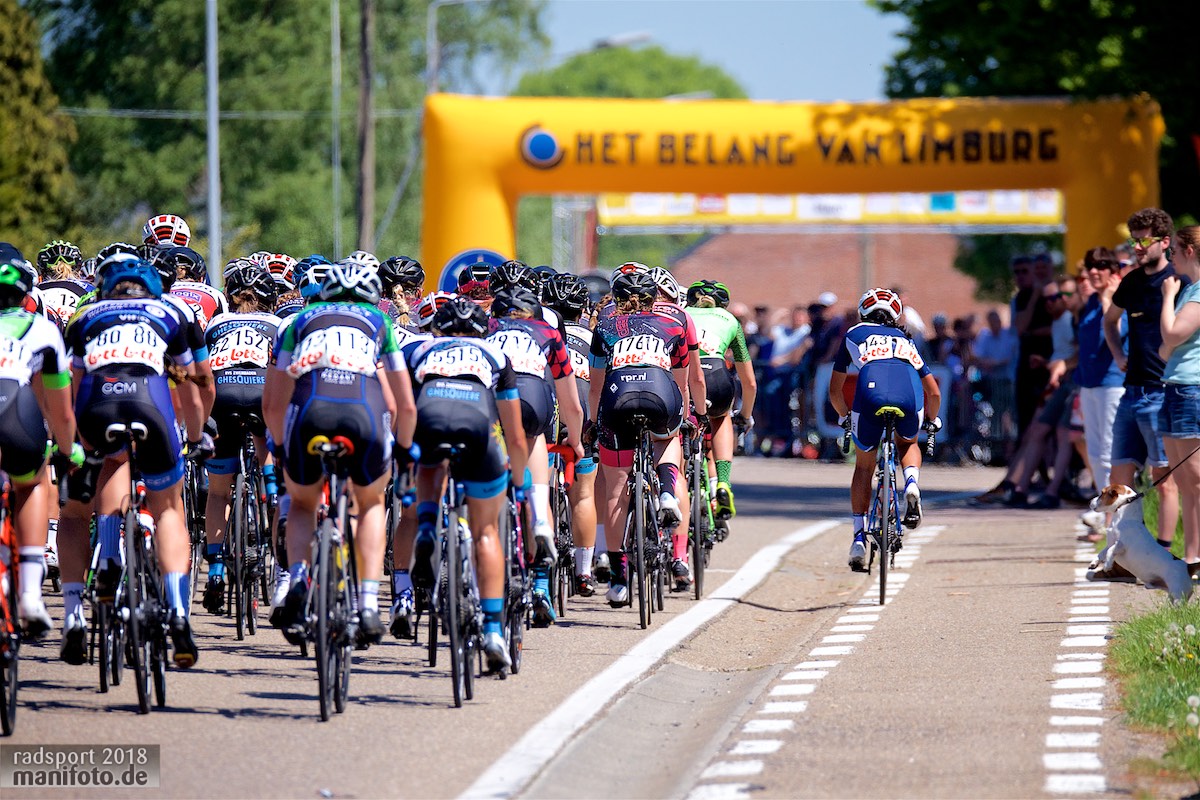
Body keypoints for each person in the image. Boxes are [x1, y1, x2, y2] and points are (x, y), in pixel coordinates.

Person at [63, 254, 209, 667]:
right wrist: (195, 435)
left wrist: (76, 443)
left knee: (110, 463)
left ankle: (109, 559)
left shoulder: (84, 317)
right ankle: (178, 611)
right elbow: (191, 384)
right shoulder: (169, 314)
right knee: (169, 510)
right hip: (151, 404)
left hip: (98, 405)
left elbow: (73, 385)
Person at [264, 259, 418, 646]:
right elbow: (402, 405)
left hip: (310, 410)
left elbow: (273, 404)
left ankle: (298, 579)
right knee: (370, 503)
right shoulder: (380, 322)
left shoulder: (298, 321)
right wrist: (401, 451)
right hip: (363, 412)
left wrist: (280, 446)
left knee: (302, 503)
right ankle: (367, 604)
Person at [402, 297, 529, 670]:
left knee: (429, 462)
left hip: (430, 419)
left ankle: (428, 526)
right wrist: (519, 481)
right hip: (478, 427)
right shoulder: (495, 355)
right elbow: (515, 434)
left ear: (436, 329)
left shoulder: (418, 349)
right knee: (486, 532)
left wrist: (404, 459)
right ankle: (492, 630)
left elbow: (402, 411)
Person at [589, 271, 691, 606]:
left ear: (615, 299)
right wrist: (683, 419)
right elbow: (681, 383)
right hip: (661, 394)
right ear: (654, 299)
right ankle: (667, 493)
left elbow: (595, 387)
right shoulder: (673, 325)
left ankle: (619, 580)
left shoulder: (605, 326)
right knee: (668, 439)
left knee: (616, 489)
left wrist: (592, 422)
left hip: (617, 397)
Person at [486, 285, 584, 625]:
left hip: (493, 402)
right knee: (535, 439)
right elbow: (571, 402)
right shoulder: (548, 332)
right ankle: (541, 567)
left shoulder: (486, 327)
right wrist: (576, 441)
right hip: (534, 399)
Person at [827, 288, 941, 571]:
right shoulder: (906, 339)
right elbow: (934, 392)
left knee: (864, 466)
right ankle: (911, 483)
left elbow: (835, 390)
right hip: (908, 395)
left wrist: (844, 416)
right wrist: (932, 420)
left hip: (870, 395)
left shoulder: (854, 334)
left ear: (863, 312)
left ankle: (858, 538)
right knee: (908, 443)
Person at [0, 246, 82, 637]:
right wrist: (68, 450)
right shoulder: (43, 328)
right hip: (17, 413)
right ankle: (31, 593)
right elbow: (61, 411)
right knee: (32, 483)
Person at [199, 264, 282, 614]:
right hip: (261, 390)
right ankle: (272, 492)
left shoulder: (216, 323)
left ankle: (216, 572)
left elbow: (200, 369)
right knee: (267, 439)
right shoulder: (278, 323)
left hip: (223, 394)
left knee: (219, 492)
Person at [1103, 207, 1186, 553]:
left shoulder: (1179, 281)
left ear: (1165, 242)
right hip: (1131, 392)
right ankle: (1118, 553)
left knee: (1164, 481)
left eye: (1144, 240)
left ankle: (1164, 555)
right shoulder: (1132, 281)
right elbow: (1110, 320)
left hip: (1162, 392)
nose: (1137, 247)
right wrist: (1117, 354)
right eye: (1133, 241)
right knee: (1117, 480)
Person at [684, 279, 758, 518]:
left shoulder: (680, 314)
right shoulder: (730, 320)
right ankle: (723, 483)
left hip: (686, 377)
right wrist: (745, 415)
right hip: (717, 376)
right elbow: (749, 382)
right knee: (721, 417)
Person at [1158, 225, 1200, 570]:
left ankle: (1196, 554)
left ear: (1189, 251)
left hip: (1191, 389)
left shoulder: (1195, 293)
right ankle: (1192, 556)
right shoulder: (1189, 291)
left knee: (1195, 478)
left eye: (1173, 250)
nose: (1170, 257)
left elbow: (1171, 334)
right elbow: (1163, 349)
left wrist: (1167, 297)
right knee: (1184, 480)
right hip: (1174, 386)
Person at [1075, 247, 1126, 506]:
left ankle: (1114, 512)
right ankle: (1106, 509)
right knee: (1094, 453)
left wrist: (1108, 298)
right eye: (1090, 266)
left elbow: (1117, 330)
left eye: (1101, 266)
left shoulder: (1118, 298)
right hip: (1089, 384)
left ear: (1113, 271)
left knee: (1108, 451)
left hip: (1112, 383)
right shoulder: (1091, 302)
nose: (1094, 271)